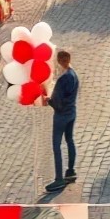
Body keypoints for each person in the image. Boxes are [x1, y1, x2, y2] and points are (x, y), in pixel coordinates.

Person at [46, 49, 79, 191]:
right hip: (72, 112)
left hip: (61, 116)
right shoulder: (74, 75)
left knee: (56, 145)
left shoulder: (62, 79)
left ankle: (59, 179)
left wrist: (48, 100)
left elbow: (57, 103)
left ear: (59, 61)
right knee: (70, 140)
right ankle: (70, 171)